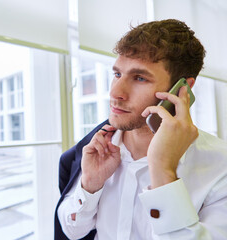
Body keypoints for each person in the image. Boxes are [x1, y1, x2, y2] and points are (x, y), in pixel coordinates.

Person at [55, 19, 227, 240]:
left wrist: (163, 170)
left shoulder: (220, 164)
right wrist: (89, 186)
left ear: (183, 88)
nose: (116, 92)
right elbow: (71, 231)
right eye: (117, 74)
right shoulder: (94, 148)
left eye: (139, 78)